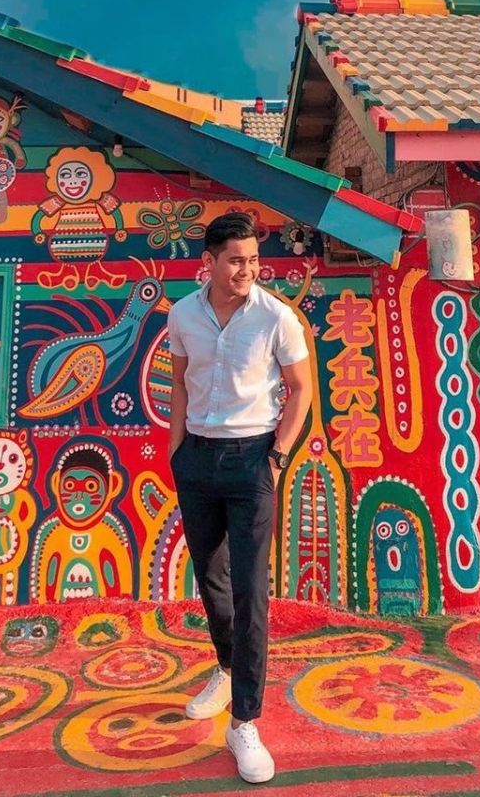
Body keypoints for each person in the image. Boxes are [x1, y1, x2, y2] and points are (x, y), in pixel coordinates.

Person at [167, 212, 311, 784]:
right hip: (197, 459)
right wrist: (177, 451)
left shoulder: (277, 318)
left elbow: (300, 390)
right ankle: (227, 668)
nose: (246, 270)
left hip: (253, 459)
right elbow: (179, 382)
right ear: (210, 262)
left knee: (251, 591)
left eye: (252, 260)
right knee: (212, 578)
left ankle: (244, 721)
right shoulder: (182, 315)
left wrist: (276, 456)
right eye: (235, 261)